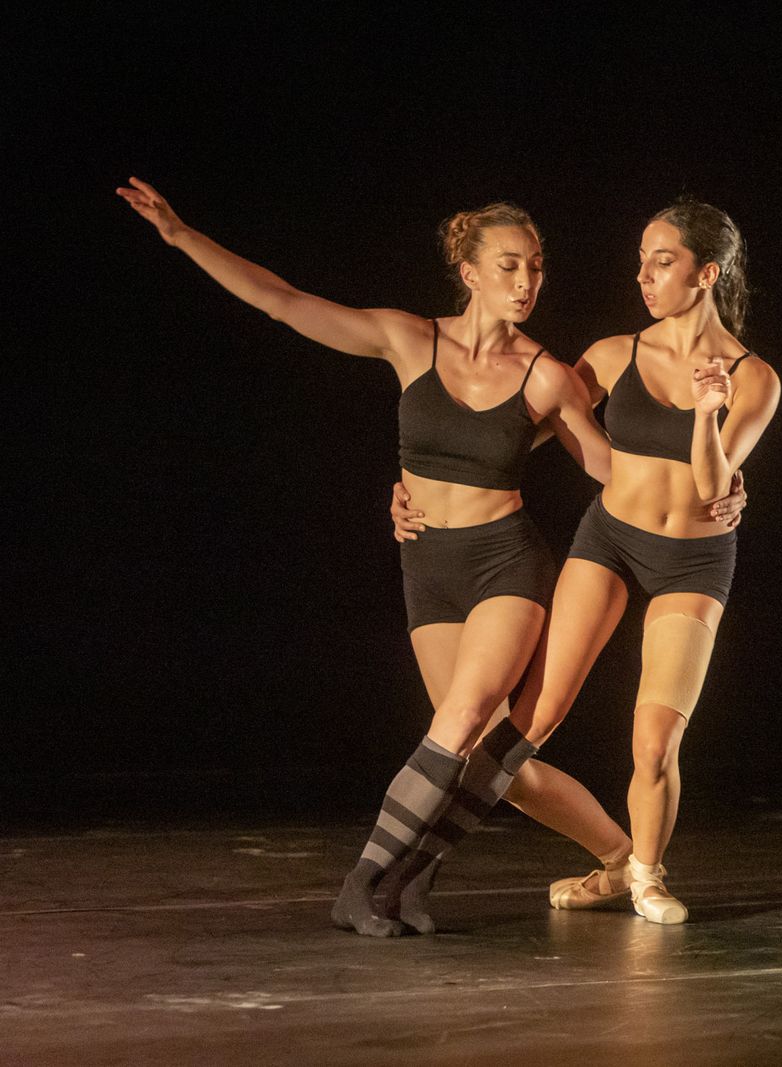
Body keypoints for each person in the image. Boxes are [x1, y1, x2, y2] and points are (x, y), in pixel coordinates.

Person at [118, 179, 616, 937]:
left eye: (537, 267)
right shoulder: (409, 338)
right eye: (511, 266)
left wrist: (715, 469)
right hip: (428, 565)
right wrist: (183, 235)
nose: (527, 282)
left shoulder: (546, 375)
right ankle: (423, 884)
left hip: (503, 563)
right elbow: (285, 302)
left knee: (462, 718)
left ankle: (364, 881)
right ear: (471, 272)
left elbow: (616, 469)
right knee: (476, 751)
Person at [385, 198, 779, 927]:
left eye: (662, 262)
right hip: (610, 540)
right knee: (524, 724)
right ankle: (414, 870)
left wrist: (706, 414)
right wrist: (420, 486)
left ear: (707, 272)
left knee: (655, 737)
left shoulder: (755, 378)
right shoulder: (609, 354)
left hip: (692, 562)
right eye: (642, 262)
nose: (644, 277)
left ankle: (644, 874)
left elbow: (709, 486)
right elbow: (504, 428)